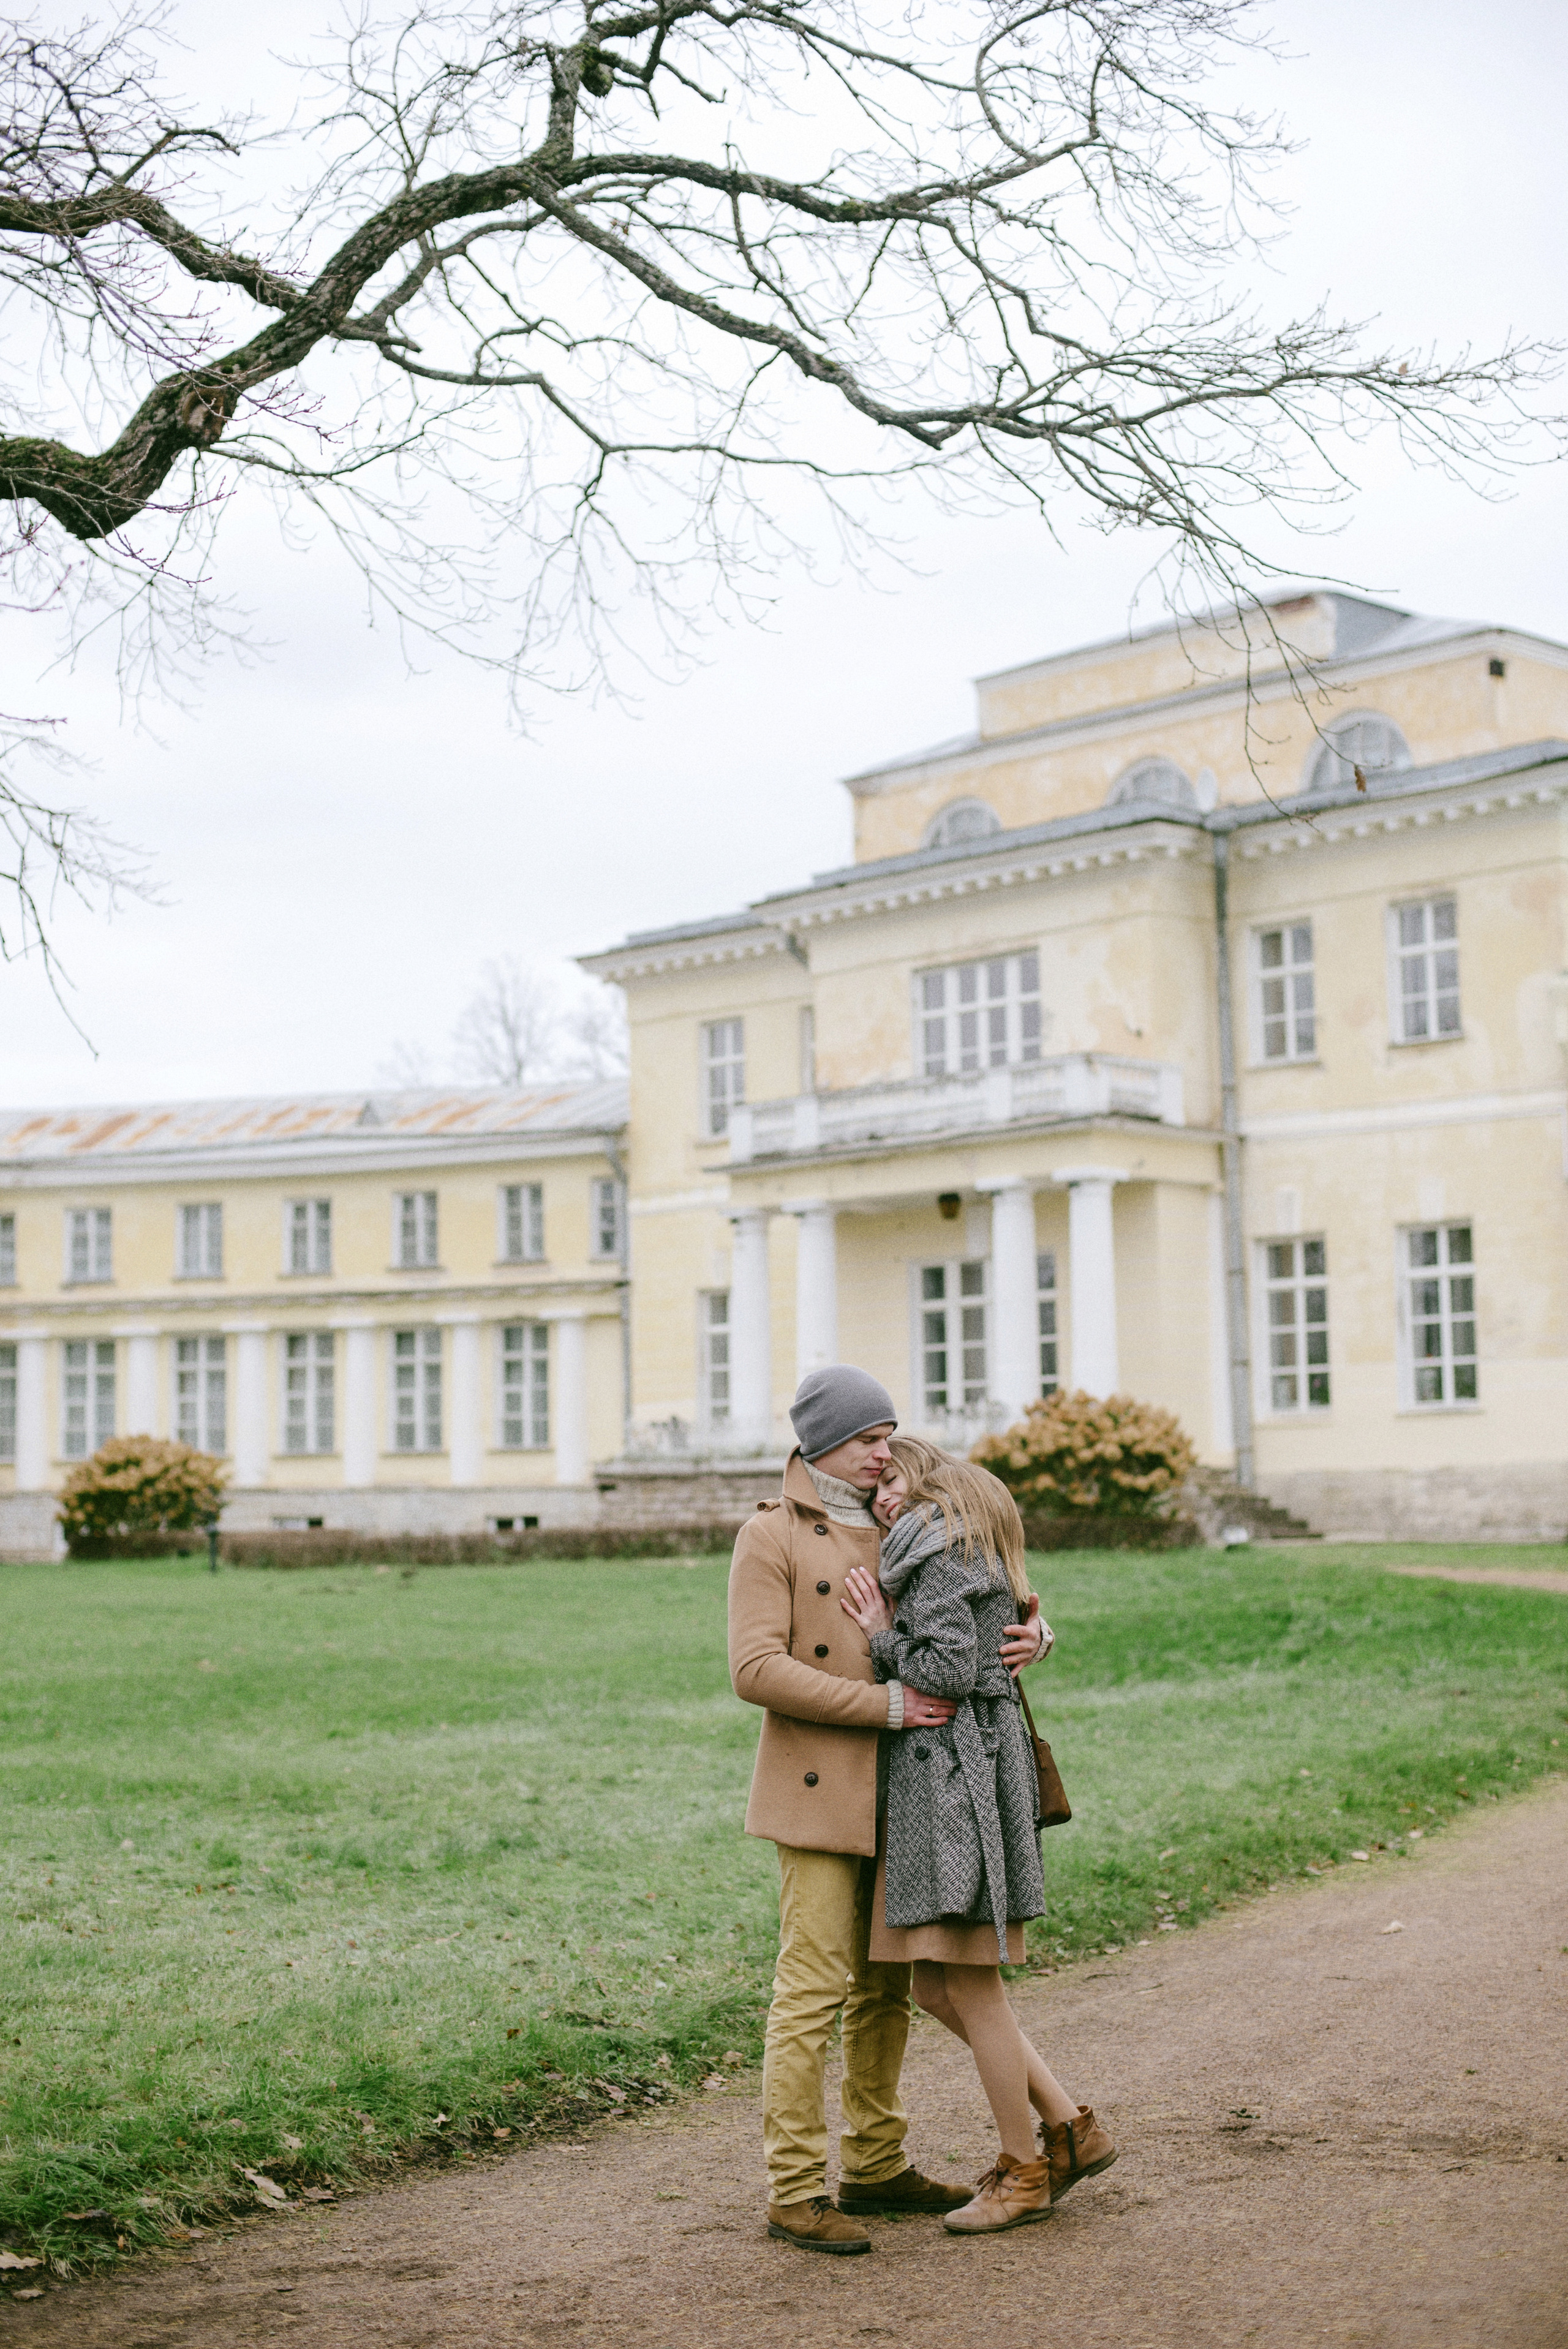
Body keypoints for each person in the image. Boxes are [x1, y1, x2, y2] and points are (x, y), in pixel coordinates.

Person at [728, 1366, 1049, 2255]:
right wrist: (887, 1705)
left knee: (885, 1990)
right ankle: (794, 2189)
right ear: (826, 1440)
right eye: (872, 1438)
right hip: (823, 1791)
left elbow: (972, 1597)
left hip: (913, 1791)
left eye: (889, 1437)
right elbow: (754, 1668)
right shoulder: (770, 1534)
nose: (886, 1452)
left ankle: (875, 2164)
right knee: (812, 1988)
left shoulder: (906, 1517)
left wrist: (1033, 1630)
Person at [838, 1434, 1116, 2235]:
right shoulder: (950, 1543)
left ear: (931, 1481)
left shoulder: (939, 1553)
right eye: (875, 1485)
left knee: (973, 1985)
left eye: (892, 1479)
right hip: (951, 1782)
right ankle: (1069, 2126)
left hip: (955, 1786)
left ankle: (1023, 2167)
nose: (881, 1496)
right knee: (935, 1985)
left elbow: (948, 1671)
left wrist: (881, 1632)